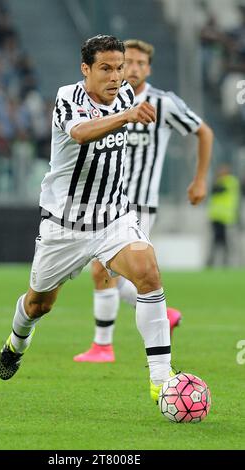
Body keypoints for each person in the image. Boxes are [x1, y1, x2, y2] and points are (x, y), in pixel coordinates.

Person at [0, 35, 176, 403]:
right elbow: (80, 134)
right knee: (38, 305)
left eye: (120, 68)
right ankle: (17, 342)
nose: (115, 77)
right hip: (65, 226)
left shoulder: (126, 93)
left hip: (113, 217)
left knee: (148, 272)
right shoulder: (68, 98)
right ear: (86, 69)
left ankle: (162, 380)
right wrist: (126, 116)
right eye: (106, 69)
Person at [74, 39, 214, 363]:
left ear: (148, 69)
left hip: (138, 204)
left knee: (103, 270)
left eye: (140, 63)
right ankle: (161, 314)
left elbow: (203, 132)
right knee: (106, 271)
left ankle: (103, 345)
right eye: (128, 63)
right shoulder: (106, 103)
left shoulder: (163, 104)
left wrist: (200, 179)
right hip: (104, 202)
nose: (133, 69)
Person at [207, 164, 240, 267]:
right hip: (216, 217)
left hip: (226, 218)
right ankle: (216, 262)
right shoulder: (219, 181)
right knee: (218, 240)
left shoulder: (231, 181)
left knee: (224, 241)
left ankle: (222, 262)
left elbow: (218, 190)